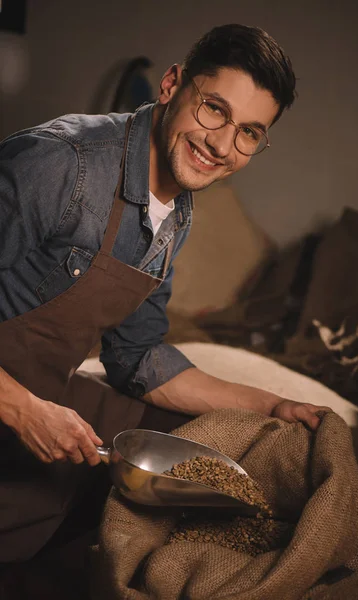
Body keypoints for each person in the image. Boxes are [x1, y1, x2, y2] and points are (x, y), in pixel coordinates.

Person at [0, 23, 328, 563]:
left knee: (199, 448)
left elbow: (137, 357)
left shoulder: (176, 214)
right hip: (15, 400)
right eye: (215, 109)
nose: (221, 145)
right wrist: (21, 411)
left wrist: (274, 407)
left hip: (44, 393)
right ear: (172, 85)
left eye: (248, 132)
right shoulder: (61, 164)